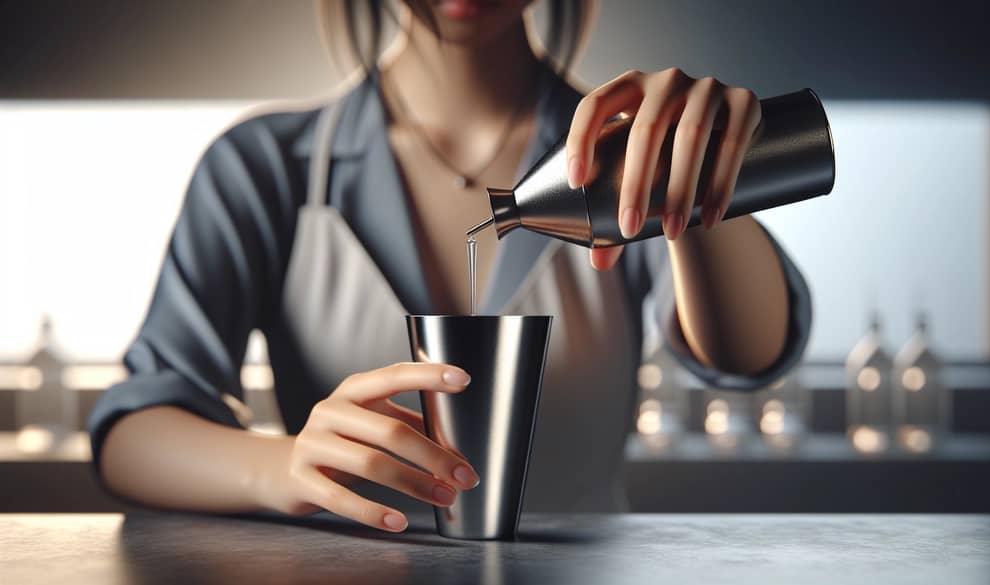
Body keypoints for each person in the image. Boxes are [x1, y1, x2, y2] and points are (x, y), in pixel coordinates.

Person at [88, 0, 810, 533]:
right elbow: (133, 433)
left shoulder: (628, 160)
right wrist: (285, 465)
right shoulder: (263, 167)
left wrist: (697, 174)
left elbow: (748, 357)